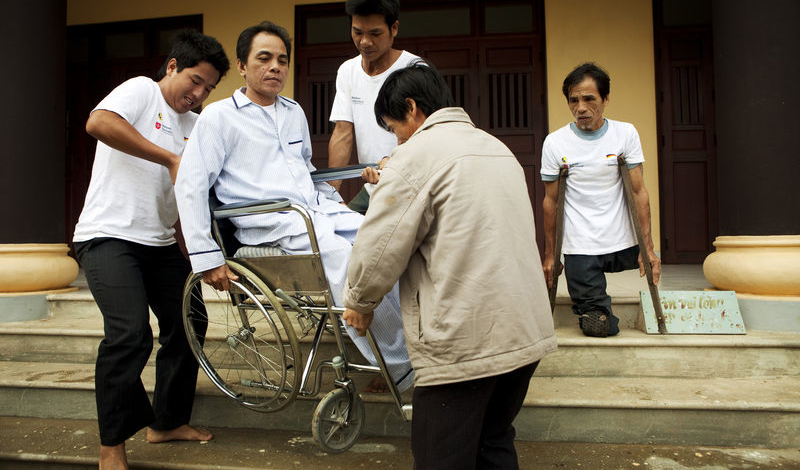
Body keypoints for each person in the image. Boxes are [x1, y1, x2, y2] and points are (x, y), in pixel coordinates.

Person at [174, 21, 414, 394]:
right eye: (264, 58)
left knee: (386, 243)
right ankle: (400, 364)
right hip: (267, 221)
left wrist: (340, 193)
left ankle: (418, 345)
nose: (275, 67)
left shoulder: (293, 111)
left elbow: (305, 171)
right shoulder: (218, 117)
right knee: (348, 261)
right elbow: (190, 184)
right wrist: (205, 257)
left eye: (282, 60)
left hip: (314, 209)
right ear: (241, 66)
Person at [341, 62, 557, 470]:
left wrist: (360, 301)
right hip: (525, 332)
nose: (396, 139)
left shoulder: (414, 156)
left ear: (411, 109)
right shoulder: (496, 146)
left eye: (393, 127)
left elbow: (380, 244)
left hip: (465, 341)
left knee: (442, 457)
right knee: (493, 442)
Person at [72, 30, 230, 470]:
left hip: (159, 243)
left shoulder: (197, 126)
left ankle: (166, 422)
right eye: (194, 81)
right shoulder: (142, 90)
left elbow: (192, 196)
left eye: (208, 89)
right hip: (108, 236)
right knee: (129, 334)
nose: (197, 94)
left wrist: (206, 254)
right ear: (173, 67)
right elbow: (98, 123)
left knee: (188, 322)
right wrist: (170, 158)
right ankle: (112, 446)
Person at [540, 62, 661, 338]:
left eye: (588, 99)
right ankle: (596, 311)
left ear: (605, 99)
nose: (580, 107)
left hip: (625, 242)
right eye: (573, 100)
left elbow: (639, 191)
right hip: (580, 246)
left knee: (643, 258)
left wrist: (649, 247)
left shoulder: (625, 134)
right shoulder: (555, 143)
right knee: (598, 326)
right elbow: (551, 202)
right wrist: (550, 254)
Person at [327, 0, 420, 213]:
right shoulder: (347, 71)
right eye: (357, 32)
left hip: (411, 185)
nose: (365, 42)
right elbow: (342, 133)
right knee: (345, 234)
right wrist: (331, 195)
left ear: (394, 28)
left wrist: (395, 167)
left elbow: (428, 132)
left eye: (375, 34)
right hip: (371, 187)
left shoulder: (414, 69)